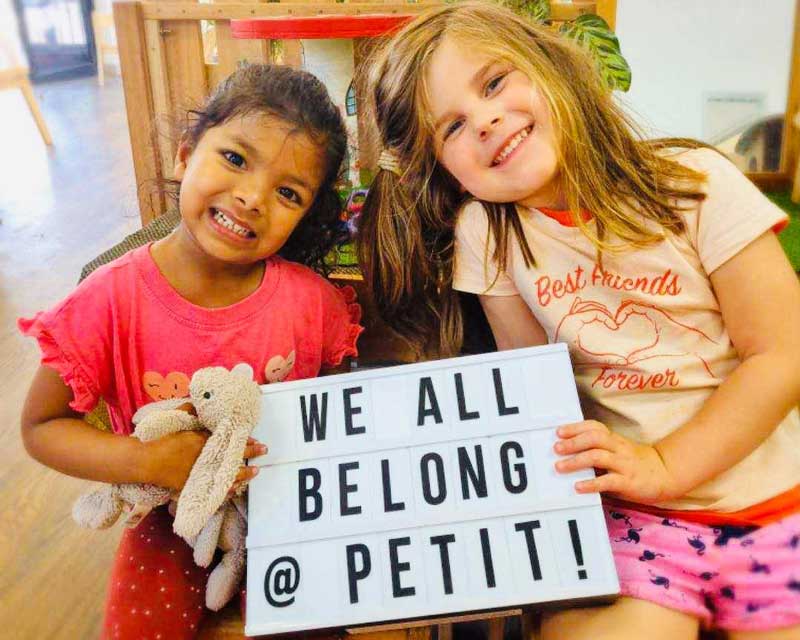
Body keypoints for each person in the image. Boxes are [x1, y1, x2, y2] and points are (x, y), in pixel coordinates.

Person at [357, 3, 800, 639]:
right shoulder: (488, 232)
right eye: (451, 126)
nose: (483, 119)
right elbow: (539, 393)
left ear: (555, 68)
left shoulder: (696, 185)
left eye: (494, 82)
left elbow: (781, 355)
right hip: (631, 519)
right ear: (442, 168)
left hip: (772, 505)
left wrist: (667, 465)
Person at [18, 64, 362, 640]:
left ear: (306, 214)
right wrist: (148, 462)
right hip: (169, 516)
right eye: (234, 158)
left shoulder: (314, 305)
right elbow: (41, 426)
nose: (252, 197)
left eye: (287, 192)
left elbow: (340, 410)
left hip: (294, 511)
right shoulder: (109, 297)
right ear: (184, 156)